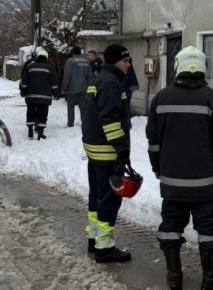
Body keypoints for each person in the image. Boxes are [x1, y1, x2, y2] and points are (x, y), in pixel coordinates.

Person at [146, 46, 213, 289]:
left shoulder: (161, 98)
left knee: (170, 226)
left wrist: (156, 166)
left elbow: (153, 140)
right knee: (208, 228)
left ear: (178, 66)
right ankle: (211, 277)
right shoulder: (212, 99)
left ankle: (174, 277)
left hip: (172, 180)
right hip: (203, 183)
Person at [81, 43, 133, 263]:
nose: (128, 65)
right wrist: (122, 148)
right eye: (125, 61)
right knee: (108, 200)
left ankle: (94, 239)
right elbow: (110, 119)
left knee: (96, 196)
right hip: (106, 151)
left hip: (94, 148)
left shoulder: (99, 78)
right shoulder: (112, 83)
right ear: (115, 62)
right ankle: (105, 248)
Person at [20, 47, 59, 140]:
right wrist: (55, 93)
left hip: (31, 96)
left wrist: (23, 91)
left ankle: (30, 130)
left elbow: (24, 81)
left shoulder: (30, 67)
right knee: (43, 113)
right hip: (45, 97)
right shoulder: (50, 68)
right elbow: (54, 83)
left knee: (30, 112)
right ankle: (40, 133)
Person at [62, 46, 92, 127]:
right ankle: (85, 123)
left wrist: (64, 87)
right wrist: (89, 87)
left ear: (72, 53)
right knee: (83, 107)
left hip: (71, 89)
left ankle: (70, 123)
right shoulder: (86, 61)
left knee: (70, 107)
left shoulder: (70, 61)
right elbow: (90, 76)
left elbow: (67, 75)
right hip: (83, 88)